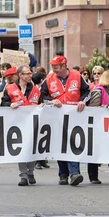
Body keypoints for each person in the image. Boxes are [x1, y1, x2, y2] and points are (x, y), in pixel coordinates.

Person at [40, 54, 90, 186]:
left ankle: (74, 173)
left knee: (73, 143)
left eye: (56, 67)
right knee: (59, 144)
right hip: (56, 117)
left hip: (75, 116)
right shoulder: (49, 79)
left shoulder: (77, 76)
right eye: (53, 67)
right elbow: (42, 96)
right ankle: (63, 174)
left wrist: (82, 101)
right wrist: (51, 101)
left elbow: (87, 92)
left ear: (64, 66)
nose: (54, 69)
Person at [1, 65, 43, 186]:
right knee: (21, 149)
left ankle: (30, 171)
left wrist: (42, 106)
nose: (31, 75)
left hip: (32, 124)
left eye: (30, 73)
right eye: (28, 73)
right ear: (20, 75)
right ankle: (23, 175)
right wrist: (10, 105)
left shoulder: (35, 89)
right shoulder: (10, 88)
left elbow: (41, 102)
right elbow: (3, 103)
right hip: (17, 124)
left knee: (31, 148)